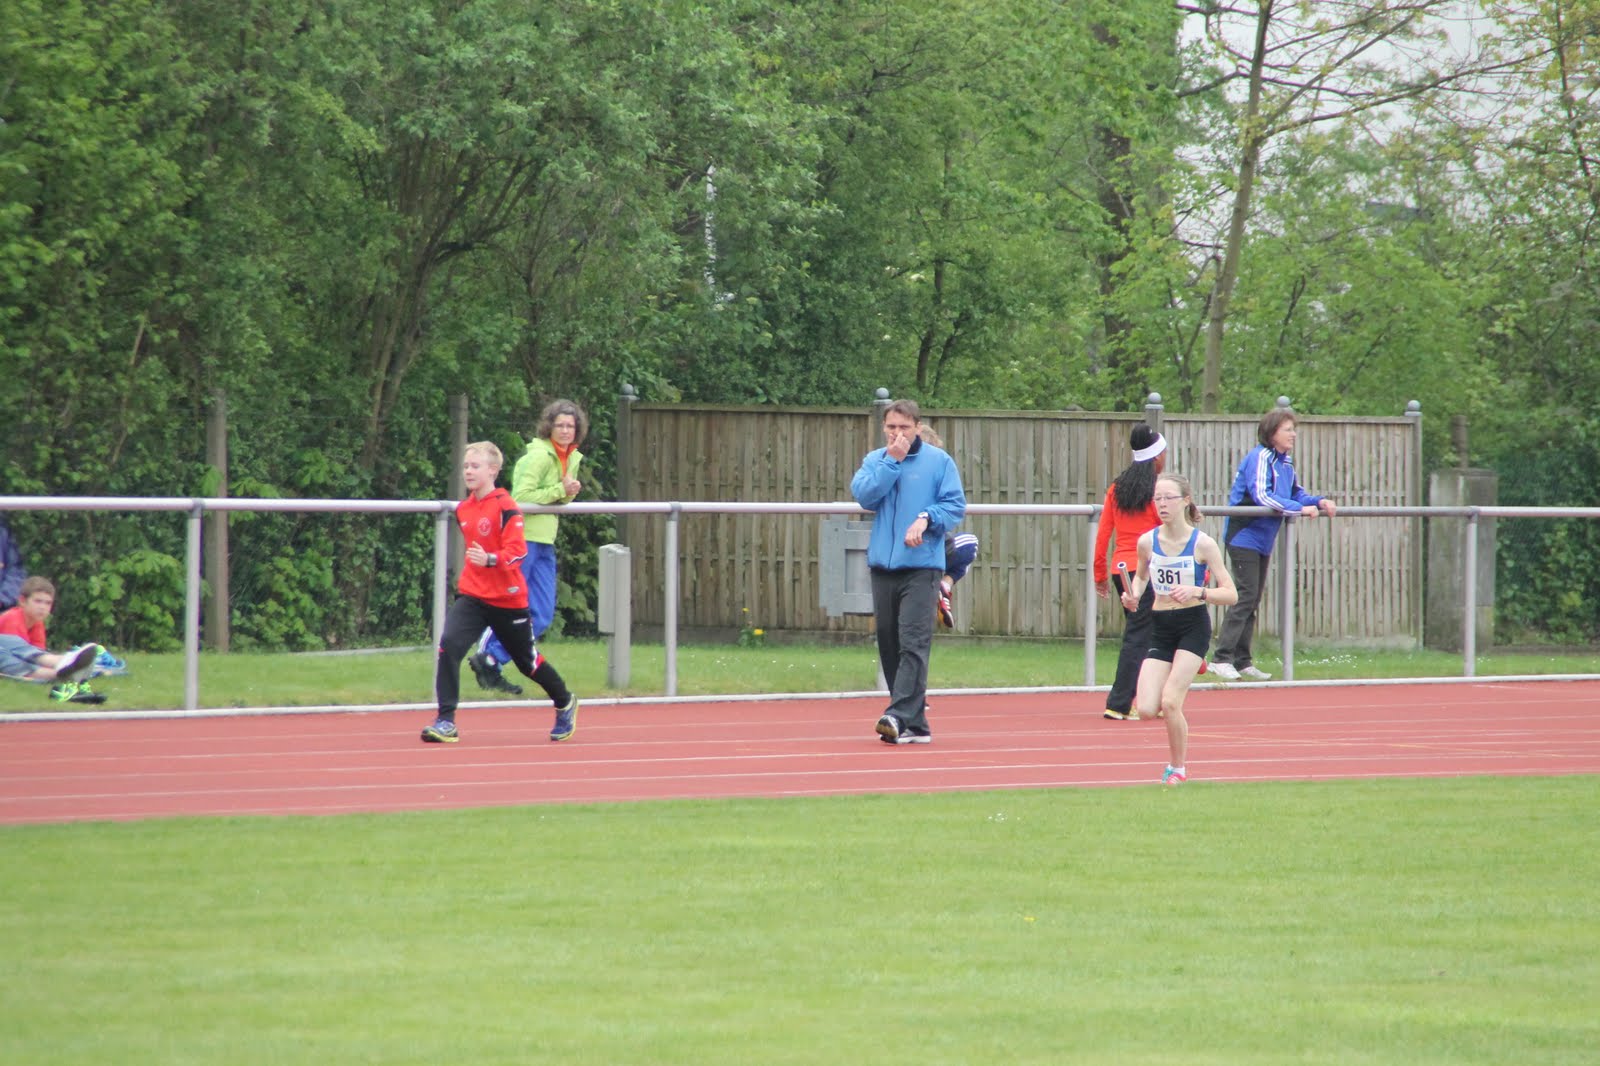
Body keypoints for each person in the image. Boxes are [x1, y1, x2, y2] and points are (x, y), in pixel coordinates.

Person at [422, 442, 579, 744]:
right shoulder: (464, 509)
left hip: (508, 599)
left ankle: (564, 701)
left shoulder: (507, 506)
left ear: (493, 470)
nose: (468, 471)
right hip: (473, 595)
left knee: (527, 662)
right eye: (466, 466)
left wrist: (491, 559)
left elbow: (518, 551)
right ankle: (445, 721)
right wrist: (480, 565)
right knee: (449, 646)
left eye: (475, 466)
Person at [851, 399, 967, 745]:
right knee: (889, 642)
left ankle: (897, 715)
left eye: (904, 427)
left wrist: (926, 518)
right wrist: (892, 462)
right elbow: (865, 496)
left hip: (922, 567)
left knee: (913, 641)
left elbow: (954, 506)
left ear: (917, 427)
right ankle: (914, 723)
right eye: (891, 427)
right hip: (883, 567)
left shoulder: (939, 462)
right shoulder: (876, 460)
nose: (897, 433)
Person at [1119, 474, 1238, 785]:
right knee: (1146, 709)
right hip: (1161, 628)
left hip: (1192, 626)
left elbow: (1231, 593)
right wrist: (1133, 595)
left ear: (1185, 501)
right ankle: (1195, 663)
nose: (1162, 504)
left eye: (1168, 498)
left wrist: (1198, 592)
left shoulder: (1203, 544)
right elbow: (1141, 578)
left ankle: (1178, 768)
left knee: (1171, 701)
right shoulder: (1147, 542)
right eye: (1157, 498)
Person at [470, 400, 588, 696]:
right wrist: (561, 490)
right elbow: (521, 498)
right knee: (509, 605)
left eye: (570, 426)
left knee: (542, 613)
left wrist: (567, 493)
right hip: (522, 540)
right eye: (560, 425)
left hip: (545, 540)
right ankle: (487, 653)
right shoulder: (538, 456)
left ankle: (492, 659)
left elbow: (558, 498)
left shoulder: (571, 457)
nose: (565, 430)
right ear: (549, 426)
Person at [1209, 408, 1337, 681]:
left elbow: (1296, 494)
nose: (1294, 434)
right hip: (1244, 535)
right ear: (1271, 433)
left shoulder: (1285, 463)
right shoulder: (1260, 457)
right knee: (1244, 596)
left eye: (1294, 429)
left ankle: (1242, 661)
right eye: (1288, 429)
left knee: (1252, 599)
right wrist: (1298, 509)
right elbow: (1262, 496)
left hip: (1264, 540)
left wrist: (1318, 501)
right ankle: (1221, 659)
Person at [1093, 423, 1165, 720]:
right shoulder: (1157, 491)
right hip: (1147, 571)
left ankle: (1151, 699)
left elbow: (1103, 534)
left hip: (1121, 569)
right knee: (1140, 636)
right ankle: (1120, 702)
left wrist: (1100, 574)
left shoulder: (1116, 489)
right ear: (1156, 457)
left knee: (1151, 635)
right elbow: (1167, 531)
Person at [0, 576, 108, 703]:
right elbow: (18, 656)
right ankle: (63, 666)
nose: (42, 607)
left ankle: (64, 666)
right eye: (38, 601)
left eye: (47, 603)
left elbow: (36, 651)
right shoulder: (13, 619)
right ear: (22, 601)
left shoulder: (37, 623)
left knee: (23, 653)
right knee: (9, 644)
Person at [913, 424, 980, 629]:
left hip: (916, 550)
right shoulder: (929, 477)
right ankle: (944, 585)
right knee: (970, 543)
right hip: (925, 548)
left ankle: (943, 586)